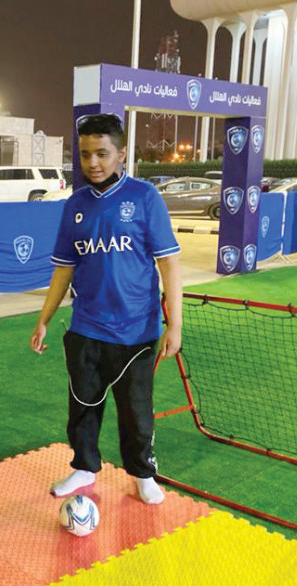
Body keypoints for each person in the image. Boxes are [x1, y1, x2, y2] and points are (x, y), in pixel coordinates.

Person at [30, 113, 183, 505]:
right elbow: (65, 267)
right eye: (84, 155)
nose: (93, 163)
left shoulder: (145, 197)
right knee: (83, 406)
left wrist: (174, 326)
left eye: (102, 153)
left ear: (122, 153)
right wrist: (44, 319)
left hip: (137, 330)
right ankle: (83, 467)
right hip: (86, 328)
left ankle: (142, 474)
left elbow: (169, 264)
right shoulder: (75, 205)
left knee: (136, 412)